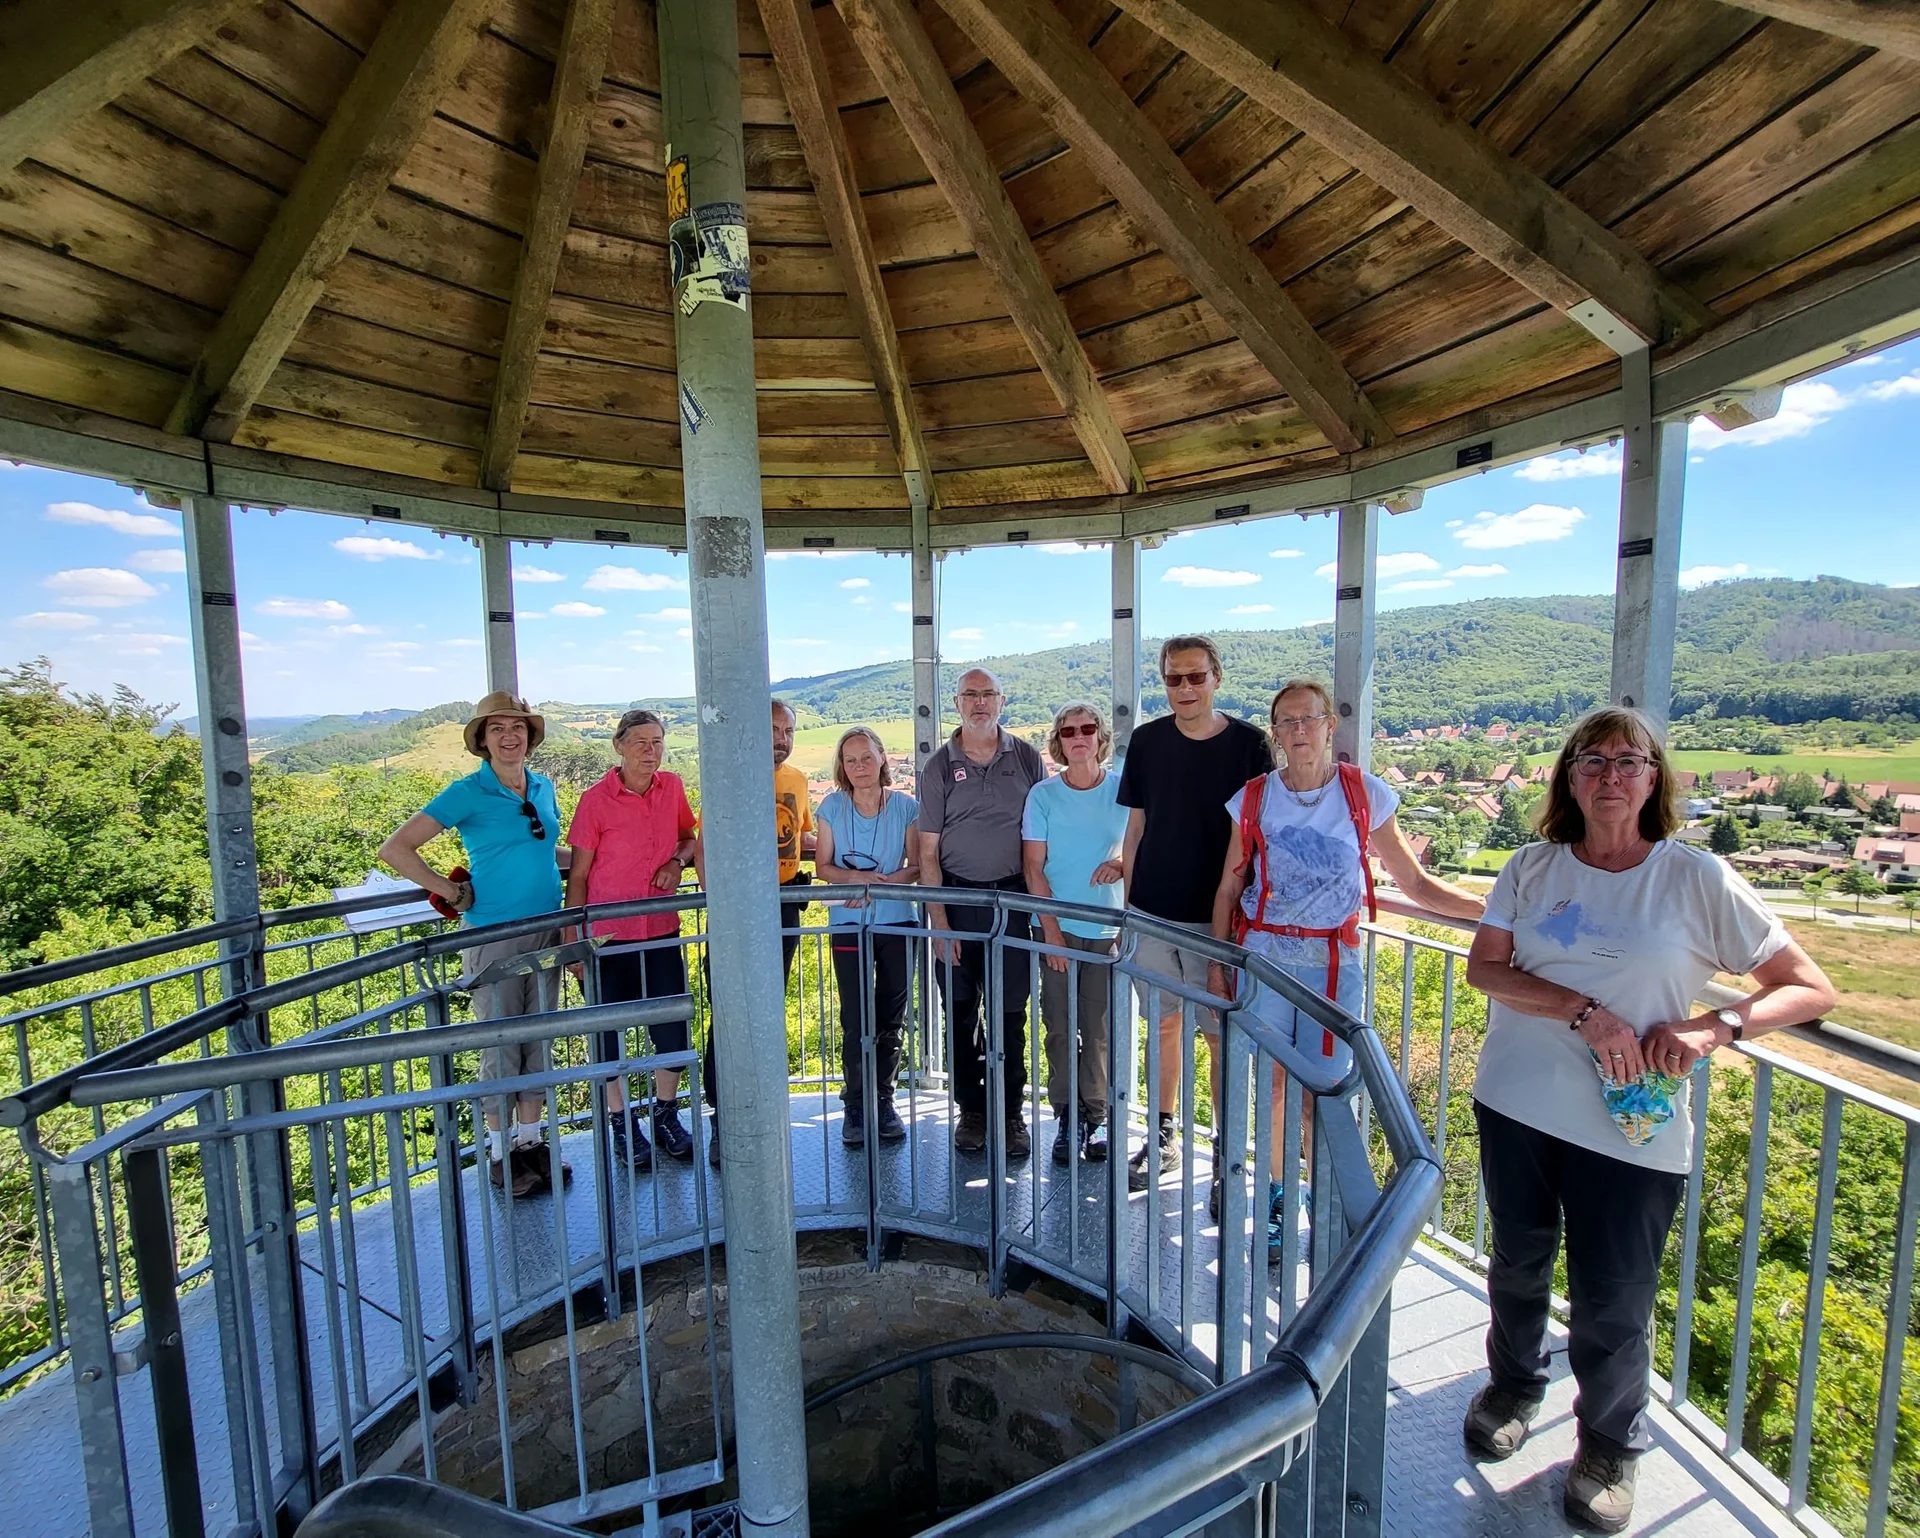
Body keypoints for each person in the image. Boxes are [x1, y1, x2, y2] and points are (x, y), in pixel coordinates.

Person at [1461, 705, 1834, 1533]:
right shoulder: (1531, 866)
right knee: (1518, 1264)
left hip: (1631, 1131)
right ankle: (1515, 1384)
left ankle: (1607, 1442)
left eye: (1628, 761)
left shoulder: (1695, 879)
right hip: (1517, 1102)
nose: (1610, 777)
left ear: (1654, 778)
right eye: (1591, 762)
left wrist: (1718, 1026)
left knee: (1615, 1296)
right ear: (1569, 778)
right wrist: (1583, 1010)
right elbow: (1487, 971)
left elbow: (1809, 986)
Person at [1207, 679, 1483, 1259]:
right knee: (1279, 1086)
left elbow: (1413, 882)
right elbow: (1232, 883)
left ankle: (1330, 1202)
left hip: (1334, 963)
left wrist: (1490, 914)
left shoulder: (1365, 794)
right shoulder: (1253, 798)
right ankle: (1283, 1201)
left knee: (1329, 1091)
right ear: (1276, 733)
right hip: (1266, 960)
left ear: (1331, 725)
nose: (1298, 731)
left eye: (1309, 719)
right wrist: (1219, 964)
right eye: (1286, 722)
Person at [378, 692, 569, 1199]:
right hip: (494, 937)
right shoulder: (467, 792)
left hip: (548, 927)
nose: (511, 736)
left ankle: (531, 1141)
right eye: (499, 728)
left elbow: (550, 850)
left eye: (519, 728)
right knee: (499, 1043)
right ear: (482, 740)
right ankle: (500, 1152)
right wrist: (449, 890)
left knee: (539, 1038)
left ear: (530, 737)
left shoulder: (543, 785)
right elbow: (396, 848)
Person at [1117, 636, 1272, 1190]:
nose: (1184, 688)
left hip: (1218, 923)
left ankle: (1228, 1158)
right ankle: (1163, 1136)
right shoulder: (1146, 741)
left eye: (1194, 676)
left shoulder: (1251, 746)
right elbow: (1134, 831)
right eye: (1173, 678)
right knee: (1163, 1025)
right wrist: (1128, 914)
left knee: (1220, 1036)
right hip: (1153, 911)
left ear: (1216, 678)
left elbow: (1256, 839)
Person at [918, 668, 1046, 1158]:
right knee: (961, 1011)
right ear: (957, 703)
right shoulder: (936, 767)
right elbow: (928, 854)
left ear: (1002, 701)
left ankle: (1011, 1114)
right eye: (970, 694)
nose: (979, 703)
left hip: (1012, 903)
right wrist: (940, 925)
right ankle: (971, 1110)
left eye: (987, 694)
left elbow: (1042, 834)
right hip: (957, 902)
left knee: (1011, 1014)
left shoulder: (1027, 757)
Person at [564, 709, 699, 1169]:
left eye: (658, 741)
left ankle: (664, 1114)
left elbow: (688, 838)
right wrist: (572, 941)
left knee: (672, 1030)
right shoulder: (595, 800)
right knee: (608, 1039)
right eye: (641, 741)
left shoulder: (673, 788)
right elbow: (579, 876)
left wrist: (678, 863)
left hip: (661, 931)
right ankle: (622, 1125)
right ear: (619, 745)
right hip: (606, 940)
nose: (650, 750)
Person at [695, 698, 815, 1167]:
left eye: (788, 732)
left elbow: (800, 840)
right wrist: (720, 907)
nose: (781, 740)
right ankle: (724, 1120)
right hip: (735, 914)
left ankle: (759, 1115)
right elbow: (704, 851)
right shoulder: (725, 776)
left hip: (783, 909)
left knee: (766, 1014)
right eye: (772, 730)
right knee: (728, 1015)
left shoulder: (798, 781)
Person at [1022, 701, 1127, 1167]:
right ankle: (1066, 1115)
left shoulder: (1124, 792)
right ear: (1058, 741)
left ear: (1100, 736)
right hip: (1058, 929)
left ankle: (1097, 1116)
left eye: (1088, 728)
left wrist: (1122, 864)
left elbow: (1141, 849)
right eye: (1069, 731)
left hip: (1107, 928)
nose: (1079, 737)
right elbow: (1032, 866)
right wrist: (1051, 934)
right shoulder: (1043, 796)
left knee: (1099, 1030)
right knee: (1060, 1028)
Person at [814, 726, 920, 1147]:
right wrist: (857, 879)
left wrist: (882, 884)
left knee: (891, 1017)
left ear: (881, 759)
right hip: (848, 922)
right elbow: (823, 866)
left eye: (866, 757)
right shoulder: (831, 807)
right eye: (850, 759)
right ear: (842, 766)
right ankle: (855, 1104)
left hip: (897, 921)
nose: (859, 766)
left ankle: (884, 1097)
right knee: (856, 1015)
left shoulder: (907, 807)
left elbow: (916, 864)